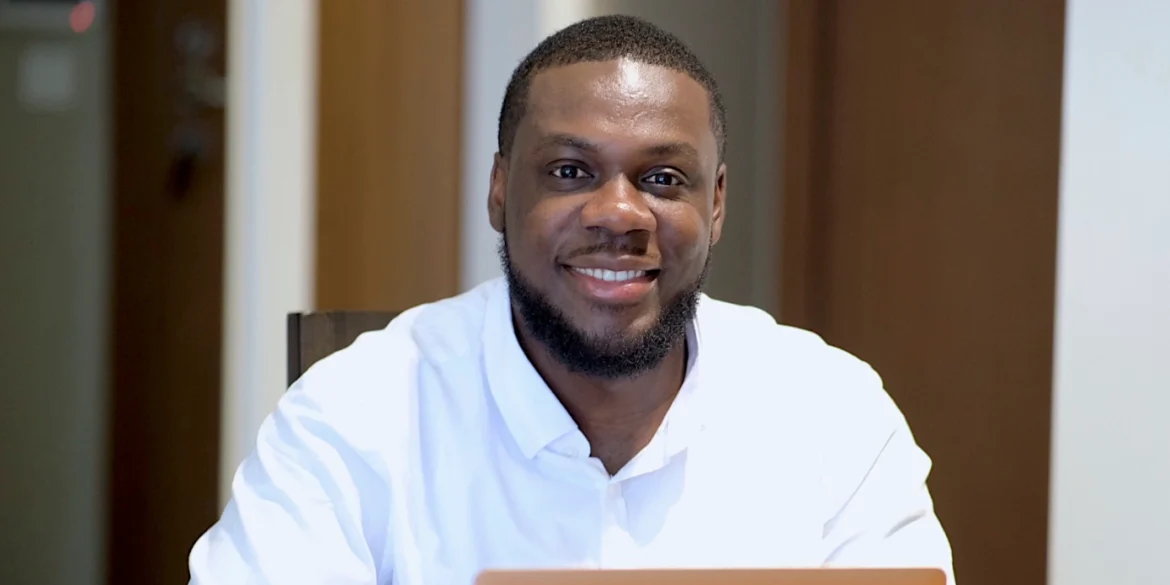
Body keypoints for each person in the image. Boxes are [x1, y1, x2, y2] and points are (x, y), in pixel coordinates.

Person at [188, 14, 954, 585]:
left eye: (663, 179)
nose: (618, 214)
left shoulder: (832, 412)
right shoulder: (354, 416)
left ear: (716, 203)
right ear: (499, 189)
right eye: (569, 172)